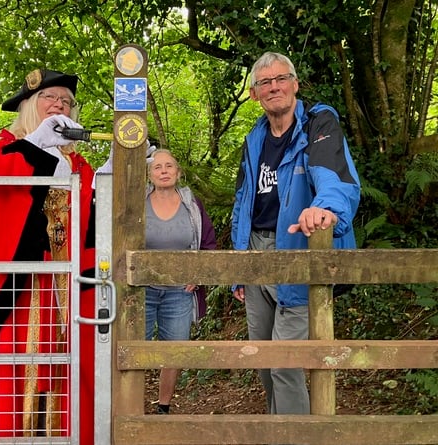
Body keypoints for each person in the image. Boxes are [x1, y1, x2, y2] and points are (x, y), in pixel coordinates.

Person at [0, 69, 98, 442]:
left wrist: (113, 174)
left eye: (66, 102)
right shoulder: (8, 144)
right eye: (50, 98)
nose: (59, 105)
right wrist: (34, 146)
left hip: (63, 287)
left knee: (63, 365)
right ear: (30, 107)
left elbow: (87, 223)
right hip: (17, 289)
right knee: (16, 366)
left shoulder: (76, 162)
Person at [231, 51, 361, 415]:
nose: (274, 87)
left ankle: (295, 436)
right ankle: (280, 428)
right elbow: (243, 202)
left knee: (285, 363)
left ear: (295, 84)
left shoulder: (318, 125)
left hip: (300, 249)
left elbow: (333, 175)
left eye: (281, 78)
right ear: (255, 94)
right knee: (262, 357)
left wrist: (326, 210)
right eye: (264, 82)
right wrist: (239, 264)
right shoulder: (254, 138)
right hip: (257, 254)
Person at [145, 149, 217, 414]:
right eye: (157, 167)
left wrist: (198, 274)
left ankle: (163, 407)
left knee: (174, 350)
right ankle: (128, 404)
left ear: (178, 172)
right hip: (141, 290)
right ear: (150, 174)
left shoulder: (192, 204)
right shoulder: (137, 201)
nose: (163, 171)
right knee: (132, 348)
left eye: (169, 166)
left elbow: (207, 243)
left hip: (179, 291)